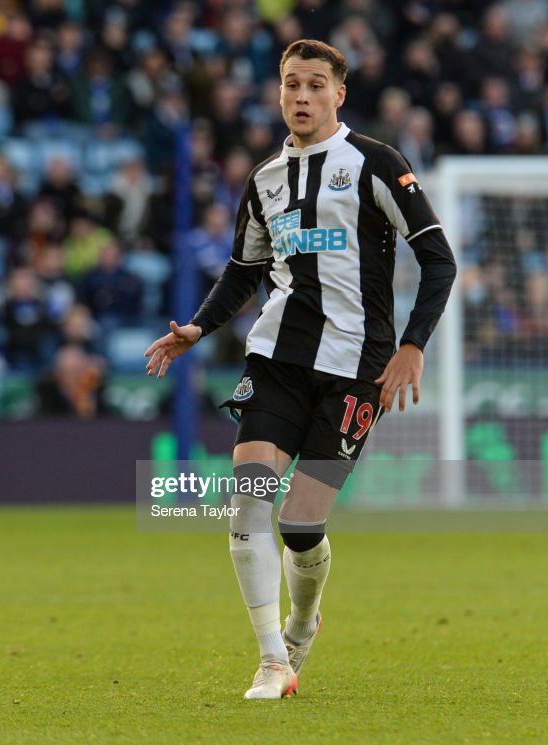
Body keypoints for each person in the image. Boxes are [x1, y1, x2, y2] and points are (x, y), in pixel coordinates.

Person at [143, 40, 457, 700]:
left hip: (356, 370)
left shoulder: (375, 163)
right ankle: (270, 660)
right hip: (277, 359)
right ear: (279, 93)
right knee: (248, 504)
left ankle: (303, 621)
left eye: (316, 84)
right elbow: (244, 269)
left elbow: (438, 260)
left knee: (300, 524)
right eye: (291, 84)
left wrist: (414, 343)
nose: (303, 96)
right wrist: (198, 327)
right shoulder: (263, 180)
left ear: (339, 93)